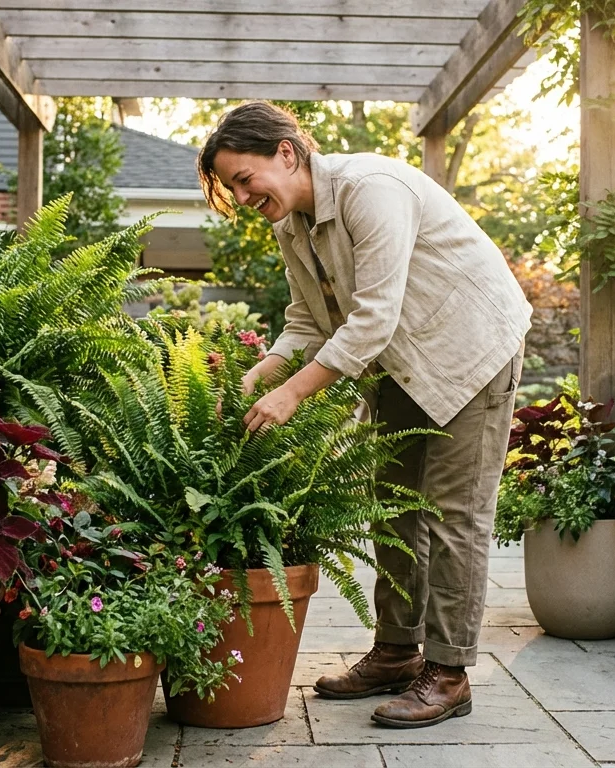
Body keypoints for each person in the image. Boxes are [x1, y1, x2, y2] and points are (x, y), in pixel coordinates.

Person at [196, 102, 531, 729]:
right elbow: (305, 322)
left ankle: (449, 673)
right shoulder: (290, 226)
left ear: (287, 153)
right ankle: (398, 653)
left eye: (245, 178)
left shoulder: (371, 191)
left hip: (470, 350)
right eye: (232, 186)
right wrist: (251, 381)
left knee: (455, 513)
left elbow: (372, 316)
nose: (242, 196)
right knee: (393, 506)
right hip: (398, 361)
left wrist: (294, 394)